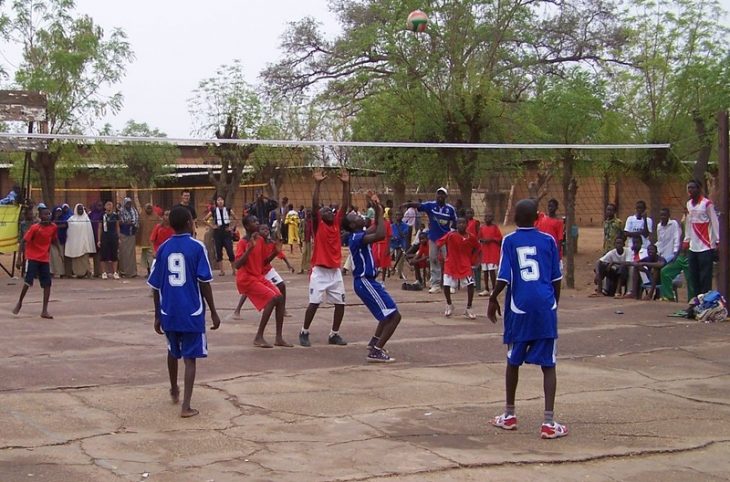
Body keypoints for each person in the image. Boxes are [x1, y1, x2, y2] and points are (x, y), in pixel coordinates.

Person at [488, 198, 567, 439]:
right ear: (537, 218)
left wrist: (493, 298)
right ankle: (549, 423)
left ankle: (510, 415)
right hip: (544, 307)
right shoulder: (548, 241)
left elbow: (504, 276)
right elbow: (556, 279)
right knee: (548, 364)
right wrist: (553, 304)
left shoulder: (510, 241)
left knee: (513, 360)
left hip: (519, 308)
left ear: (514, 217)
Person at [148, 206, 221, 418]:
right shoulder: (197, 248)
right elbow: (204, 282)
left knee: (172, 350)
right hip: (192, 311)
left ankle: (173, 388)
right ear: (190, 223)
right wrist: (214, 312)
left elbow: (155, 285)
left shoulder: (163, 248)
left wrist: (157, 315)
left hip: (169, 310)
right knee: (190, 358)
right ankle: (186, 406)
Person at [343, 192, 401, 362]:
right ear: (353, 224)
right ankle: (376, 351)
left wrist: (377, 208)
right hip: (365, 281)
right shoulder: (356, 238)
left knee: (386, 314)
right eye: (356, 216)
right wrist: (381, 212)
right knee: (395, 316)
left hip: (368, 282)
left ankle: (375, 342)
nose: (360, 215)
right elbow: (380, 234)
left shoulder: (358, 234)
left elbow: (376, 227)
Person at [299, 168, 350, 347]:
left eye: (330, 210)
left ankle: (334, 334)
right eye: (326, 210)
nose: (329, 211)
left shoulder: (336, 222)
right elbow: (314, 206)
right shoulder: (318, 225)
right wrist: (317, 183)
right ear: (321, 215)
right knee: (314, 303)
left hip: (335, 271)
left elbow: (345, 204)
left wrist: (346, 184)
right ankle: (304, 331)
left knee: (341, 304)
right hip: (319, 271)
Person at [233, 215, 291, 348]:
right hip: (246, 278)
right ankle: (259, 337)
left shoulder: (260, 240)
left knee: (280, 298)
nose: (257, 222)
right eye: (254, 221)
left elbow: (264, 262)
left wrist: (275, 253)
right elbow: (237, 265)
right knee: (272, 298)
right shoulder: (243, 242)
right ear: (247, 226)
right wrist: (248, 250)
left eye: (257, 220)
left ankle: (279, 338)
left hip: (257, 276)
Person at [401, 188, 457, 294]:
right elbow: (419, 205)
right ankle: (436, 284)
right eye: (438, 194)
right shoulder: (431, 205)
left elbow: (455, 222)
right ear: (436, 195)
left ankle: (450, 284)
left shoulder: (450, 209)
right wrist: (407, 204)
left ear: (446, 196)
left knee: (448, 260)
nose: (440, 196)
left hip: (446, 239)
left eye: (442, 194)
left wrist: (452, 234)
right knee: (433, 259)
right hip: (433, 238)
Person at [13, 206, 58, 319]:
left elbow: (54, 240)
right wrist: (19, 258)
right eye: (45, 214)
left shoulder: (53, 227)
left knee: (47, 284)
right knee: (28, 281)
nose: (47, 216)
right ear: (40, 216)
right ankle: (20, 302)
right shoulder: (35, 228)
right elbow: (23, 241)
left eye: (48, 214)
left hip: (44, 258)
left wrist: (59, 253)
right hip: (33, 257)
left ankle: (44, 310)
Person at [437, 217, 480, 319]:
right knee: (446, 285)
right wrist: (441, 256)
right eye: (459, 223)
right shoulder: (451, 235)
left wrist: (474, 260)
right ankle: (449, 304)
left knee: (470, 284)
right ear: (456, 225)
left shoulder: (471, 237)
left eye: (463, 223)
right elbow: (439, 243)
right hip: (451, 263)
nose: (461, 225)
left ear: (467, 225)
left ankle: (469, 307)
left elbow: (478, 248)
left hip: (465, 264)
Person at [684, 179, 719, 297]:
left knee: (705, 276)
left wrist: (718, 240)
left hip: (706, 245)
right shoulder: (689, 204)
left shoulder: (707, 204)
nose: (690, 190)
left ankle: (705, 301)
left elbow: (714, 222)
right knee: (694, 276)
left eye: (693, 188)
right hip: (693, 246)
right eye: (689, 188)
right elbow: (688, 223)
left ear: (698, 189)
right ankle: (696, 301)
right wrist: (686, 239)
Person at [203, 195, 236, 276]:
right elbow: (204, 219)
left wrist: (231, 227)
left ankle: (234, 270)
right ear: (216, 202)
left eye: (221, 200)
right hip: (217, 233)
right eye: (218, 200)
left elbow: (236, 218)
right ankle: (222, 271)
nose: (220, 202)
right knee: (218, 252)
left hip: (226, 233)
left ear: (224, 201)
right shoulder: (213, 210)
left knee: (230, 251)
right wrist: (212, 226)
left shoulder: (228, 210)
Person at [65, 203, 96, 278]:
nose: (80, 210)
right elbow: (69, 231)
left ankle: (86, 272)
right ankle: (78, 273)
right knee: (76, 260)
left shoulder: (86, 219)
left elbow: (89, 232)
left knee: (85, 259)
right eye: (79, 209)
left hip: (84, 244)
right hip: (75, 243)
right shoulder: (71, 219)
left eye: (81, 209)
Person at [478, 211, 502, 297]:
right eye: (486, 217)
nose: (487, 218)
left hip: (492, 252)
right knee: (485, 271)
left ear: (492, 218)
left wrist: (491, 239)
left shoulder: (495, 227)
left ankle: (494, 288)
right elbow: (479, 238)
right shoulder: (482, 228)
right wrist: (482, 240)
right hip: (485, 251)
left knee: (492, 271)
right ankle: (486, 289)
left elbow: (499, 238)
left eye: (489, 217)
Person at [535, 198, 564, 267]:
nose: (550, 208)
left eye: (552, 206)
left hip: (552, 250)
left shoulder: (559, 222)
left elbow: (560, 239)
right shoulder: (542, 218)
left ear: (556, 208)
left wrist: (557, 254)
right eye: (549, 206)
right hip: (543, 249)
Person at [98, 201, 120, 280]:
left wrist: (118, 237)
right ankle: (104, 272)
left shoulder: (115, 215)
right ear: (105, 206)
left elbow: (117, 227)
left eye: (110, 205)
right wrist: (99, 240)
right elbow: (100, 228)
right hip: (105, 236)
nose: (109, 206)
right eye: (108, 205)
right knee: (104, 255)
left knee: (114, 254)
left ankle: (115, 272)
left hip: (113, 236)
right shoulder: (102, 215)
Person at [138, 203, 161, 277]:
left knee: (151, 257)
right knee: (145, 258)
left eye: (150, 208)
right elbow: (139, 227)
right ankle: (148, 272)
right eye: (147, 208)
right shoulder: (142, 215)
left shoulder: (156, 216)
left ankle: (153, 272)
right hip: (144, 240)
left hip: (153, 240)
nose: (149, 210)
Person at [118, 197, 139, 277]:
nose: (128, 205)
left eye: (130, 203)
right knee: (123, 253)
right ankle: (123, 272)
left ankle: (132, 272)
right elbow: (120, 222)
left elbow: (136, 222)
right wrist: (126, 223)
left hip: (132, 235)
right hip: (124, 234)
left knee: (131, 254)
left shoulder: (134, 211)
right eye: (127, 203)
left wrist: (132, 224)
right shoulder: (121, 211)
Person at [390, 210, 410, 280]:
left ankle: (400, 273)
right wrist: (392, 237)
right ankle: (389, 270)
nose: (398, 216)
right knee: (388, 256)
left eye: (399, 215)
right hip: (393, 243)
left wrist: (398, 228)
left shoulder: (405, 226)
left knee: (400, 259)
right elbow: (389, 234)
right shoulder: (392, 226)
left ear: (402, 216)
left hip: (401, 243)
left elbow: (404, 234)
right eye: (397, 215)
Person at [465, 208, 481, 291]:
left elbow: (478, 233)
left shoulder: (475, 222)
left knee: (474, 263)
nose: (469, 215)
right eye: (468, 213)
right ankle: (469, 280)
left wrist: (477, 243)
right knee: (467, 263)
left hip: (473, 244)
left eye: (471, 213)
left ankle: (475, 281)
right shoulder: (464, 223)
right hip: (466, 245)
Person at [87, 201, 105, 277]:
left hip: (103, 236)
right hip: (92, 235)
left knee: (102, 254)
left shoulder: (104, 214)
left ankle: (102, 272)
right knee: (95, 254)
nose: (99, 207)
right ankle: (96, 272)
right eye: (98, 205)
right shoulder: (91, 214)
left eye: (101, 205)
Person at [49, 207, 67, 277]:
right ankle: (52, 271)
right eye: (57, 212)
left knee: (60, 256)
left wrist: (56, 225)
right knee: (53, 257)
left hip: (61, 241)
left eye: (60, 212)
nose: (59, 213)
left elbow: (64, 225)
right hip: (52, 241)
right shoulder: (51, 220)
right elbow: (51, 226)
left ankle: (61, 272)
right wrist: (56, 219)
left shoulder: (63, 219)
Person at [299, 208, 313, 274]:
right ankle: (302, 268)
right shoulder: (303, 221)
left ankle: (308, 268)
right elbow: (300, 230)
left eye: (309, 212)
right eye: (307, 212)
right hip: (304, 239)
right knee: (304, 253)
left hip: (310, 239)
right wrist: (300, 239)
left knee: (309, 254)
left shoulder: (312, 221)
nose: (308, 213)